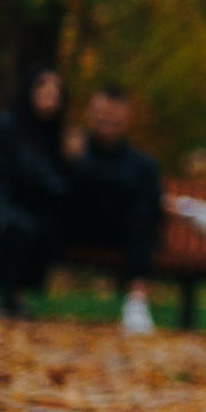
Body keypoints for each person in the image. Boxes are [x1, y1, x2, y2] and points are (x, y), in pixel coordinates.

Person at [0, 68, 71, 316]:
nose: (50, 99)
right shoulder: (10, 125)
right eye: (44, 91)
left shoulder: (50, 135)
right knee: (21, 225)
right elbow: (29, 173)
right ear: (30, 91)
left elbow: (51, 179)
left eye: (56, 94)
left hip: (16, 204)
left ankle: (14, 290)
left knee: (46, 223)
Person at [69, 83, 165, 307]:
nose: (107, 121)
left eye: (114, 116)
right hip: (74, 226)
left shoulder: (141, 163)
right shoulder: (71, 150)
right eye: (101, 114)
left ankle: (137, 300)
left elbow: (153, 203)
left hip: (121, 232)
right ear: (90, 113)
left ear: (126, 118)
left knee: (142, 216)